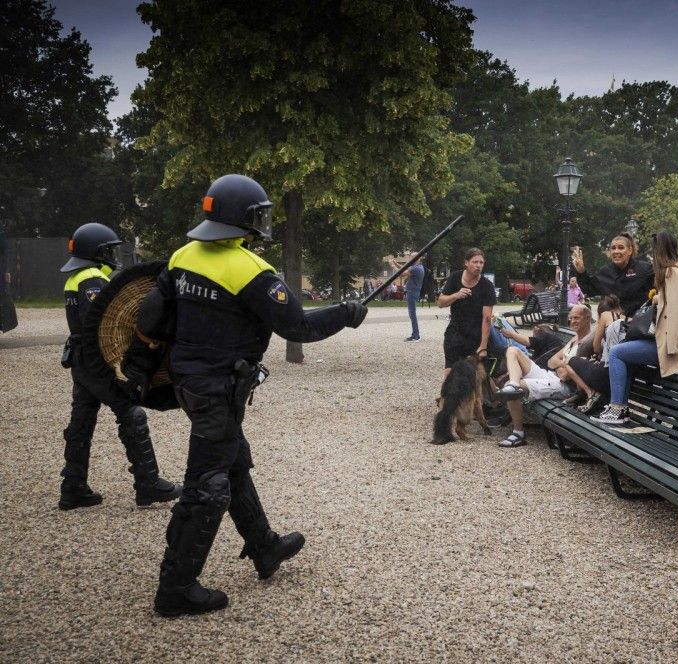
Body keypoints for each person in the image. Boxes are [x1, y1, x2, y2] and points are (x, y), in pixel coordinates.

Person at [140, 174, 368, 617]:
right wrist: (346, 313)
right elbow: (298, 326)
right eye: (259, 214)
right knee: (207, 487)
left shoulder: (184, 255)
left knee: (232, 461)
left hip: (186, 383)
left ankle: (264, 546)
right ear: (244, 220)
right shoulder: (251, 271)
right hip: (219, 391)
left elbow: (150, 315)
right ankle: (176, 588)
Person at [57, 223, 182, 511]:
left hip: (80, 361)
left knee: (82, 421)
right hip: (95, 360)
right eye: (109, 249)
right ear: (97, 252)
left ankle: (73, 486)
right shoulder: (92, 279)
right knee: (131, 412)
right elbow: (101, 324)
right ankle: (148, 483)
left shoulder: (75, 277)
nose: (113, 255)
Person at [591, 232, 678, 424]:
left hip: (675, 345)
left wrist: (671, 348)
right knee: (622, 348)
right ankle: (618, 407)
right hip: (670, 340)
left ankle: (618, 408)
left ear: (660, 251)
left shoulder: (673, 272)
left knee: (617, 352)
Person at [494, 305, 594, 447]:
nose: (572, 321)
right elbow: (551, 361)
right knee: (512, 350)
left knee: (508, 388)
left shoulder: (589, 342)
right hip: (551, 376)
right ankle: (514, 384)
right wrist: (565, 364)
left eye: (576, 318)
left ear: (588, 318)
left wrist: (561, 366)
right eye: (571, 318)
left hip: (564, 387)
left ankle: (518, 433)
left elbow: (566, 376)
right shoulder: (574, 339)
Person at [437, 248, 496, 377]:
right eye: (475, 262)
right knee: (450, 373)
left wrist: (483, 346)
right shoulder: (455, 278)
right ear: (466, 263)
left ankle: (476, 397)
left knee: (476, 376)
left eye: (481, 262)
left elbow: (487, 318)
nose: (478, 265)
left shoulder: (487, 286)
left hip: (475, 337)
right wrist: (456, 295)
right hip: (455, 334)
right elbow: (441, 302)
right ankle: (447, 397)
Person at [572, 235, 654, 317]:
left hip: (640, 321)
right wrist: (581, 271)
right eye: (613, 248)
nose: (616, 251)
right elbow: (589, 290)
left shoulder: (644, 269)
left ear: (630, 250)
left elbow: (659, 289)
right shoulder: (605, 272)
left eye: (621, 248)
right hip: (614, 323)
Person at [401, 256, 425, 342]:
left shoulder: (415, 269)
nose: (410, 259)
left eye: (411, 257)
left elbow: (402, 273)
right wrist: (396, 263)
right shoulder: (419, 267)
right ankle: (415, 334)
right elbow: (404, 269)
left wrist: (392, 266)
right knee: (412, 314)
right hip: (414, 291)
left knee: (412, 314)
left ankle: (416, 336)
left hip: (412, 292)